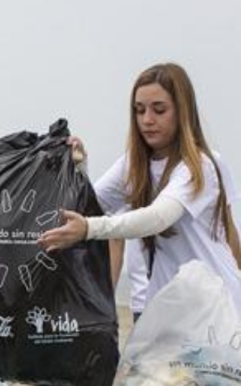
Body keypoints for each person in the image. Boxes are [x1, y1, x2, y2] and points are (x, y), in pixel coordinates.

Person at [39, 63, 241, 311]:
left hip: (215, 308)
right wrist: (79, 167)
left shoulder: (200, 166)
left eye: (159, 110)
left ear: (183, 111)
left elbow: (158, 218)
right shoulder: (132, 165)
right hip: (165, 306)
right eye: (139, 110)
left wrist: (88, 229)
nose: (147, 120)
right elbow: (88, 205)